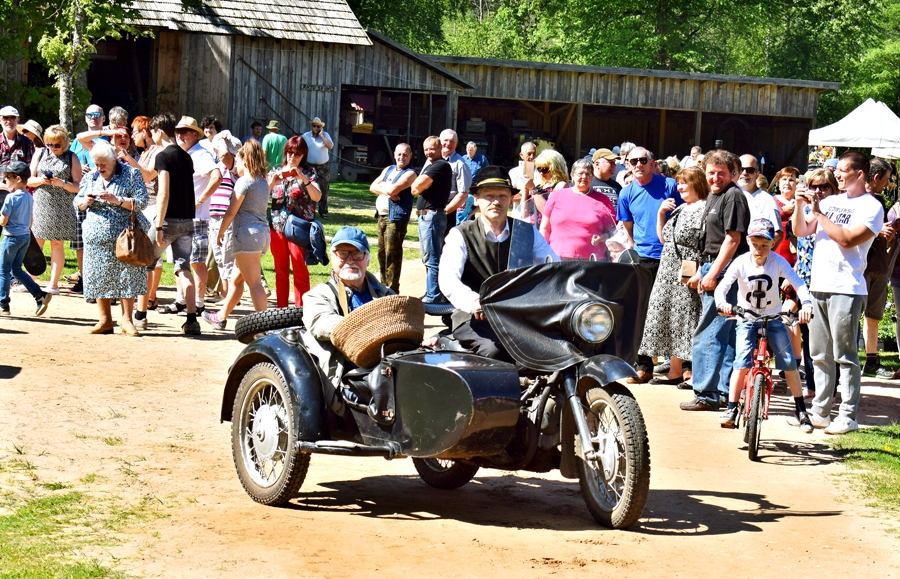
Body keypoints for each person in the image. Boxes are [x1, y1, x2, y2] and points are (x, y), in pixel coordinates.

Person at [792, 151, 883, 434]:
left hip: (847, 288)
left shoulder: (872, 206)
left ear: (859, 174)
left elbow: (847, 239)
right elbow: (802, 230)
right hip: (818, 284)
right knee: (819, 353)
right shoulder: (830, 201)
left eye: (843, 170)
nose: (837, 174)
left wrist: (818, 212)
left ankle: (848, 416)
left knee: (845, 354)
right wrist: (799, 205)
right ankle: (820, 412)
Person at [439, 166, 558, 360]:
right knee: (495, 351)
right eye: (489, 195)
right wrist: (474, 302)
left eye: (503, 196)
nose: (496, 201)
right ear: (476, 199)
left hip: (517, 316)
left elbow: (552, 266)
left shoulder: (527, 232)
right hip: (474, 318)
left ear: (511, 199)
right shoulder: (460, 234)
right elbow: (448, 279)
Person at [715, 218, 815, 432]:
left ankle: (801, 409)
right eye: (755, 244)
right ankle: (732, 407)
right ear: (748, 242)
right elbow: (723, 286)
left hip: (773, 317)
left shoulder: (778, 262)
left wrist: (806, 303)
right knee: (741, 361)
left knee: (788, 362)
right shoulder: (741, 262)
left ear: (772, 244)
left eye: (765, 245)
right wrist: (723, 304)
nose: (759, 250)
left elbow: (797, 282)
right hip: (747, 317)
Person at [680, 150, 750, 411]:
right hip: (713, 265)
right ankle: (722, 392)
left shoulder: (733, 196)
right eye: (711, 172)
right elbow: (710, 239)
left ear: (733, 173)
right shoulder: (714, 195)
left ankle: (707, 394)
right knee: (724, 333)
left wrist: (712, 273)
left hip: (725, 270)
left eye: (721, 173)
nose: (715, 177)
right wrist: (702, 269)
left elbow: (733, 240)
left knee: (709, 333)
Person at [639, 166, 708, 385]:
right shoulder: (680, 208)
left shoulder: (705, 208)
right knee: (667, 315)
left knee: (686, 318)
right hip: (668, 269)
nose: (679, 187)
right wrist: (661, 213)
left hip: (688, 267)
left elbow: (705, 243)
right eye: (678, 183)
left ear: (696, 183)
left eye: (684, 183)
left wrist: (699, 270)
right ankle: (675, 370)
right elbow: (664, 239)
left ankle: (694, 372)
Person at [617, 146, 681, 382]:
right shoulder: (626, 193)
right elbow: (628, 224)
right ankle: (643, 365)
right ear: (627, 164)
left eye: (643, 160)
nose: (638, 164)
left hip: (671, 256)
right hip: (643, 258)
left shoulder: (669, 185)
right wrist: (635, 246)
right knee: (641, 311)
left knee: (675, 310)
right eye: (632, 161)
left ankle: (681, 365)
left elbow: (684, 213)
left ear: (652, 162)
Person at [73, 142, 148, 336]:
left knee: (127, 275)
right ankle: (105, 320)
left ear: (114, 160)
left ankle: (127, 320)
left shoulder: (131, 174)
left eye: (103, 164)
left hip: (125, 238)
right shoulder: (90, 177)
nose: (100, 168)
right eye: (96, 164)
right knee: (99, 276)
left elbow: (142, 202)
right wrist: (84, 202)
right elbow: (77, 200)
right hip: (95, 237)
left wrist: (117, 200)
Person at [143, 113, 202, 336]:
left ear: (159, 131)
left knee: (145, 263)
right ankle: (191, 319)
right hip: (187, 220)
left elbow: (163, 193)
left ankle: (140, 315)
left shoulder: (163, 157)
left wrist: (158, 225)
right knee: (183, 268)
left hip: (167, 220)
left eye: (152, 132)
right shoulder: (186, 157)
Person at [202, 141, 271, 330]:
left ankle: (263, 326)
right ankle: (221, 317)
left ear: (246, 161)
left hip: (246, 235)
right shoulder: (262, 182)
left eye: (238, 161)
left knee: (254, 283)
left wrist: (221, 231)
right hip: (262, 235)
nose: (235, 166)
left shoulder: (244, 181)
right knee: (236, 280)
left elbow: (231, 211)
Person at [167, 116, 221, 315]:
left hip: (197, 217)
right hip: (178, 216)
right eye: (178, 132)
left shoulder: (201, 155)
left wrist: (200, 199)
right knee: (179, 260)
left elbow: (217, 176)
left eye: (184, 132)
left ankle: (198, 302)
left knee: (197, 260)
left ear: (194, 135)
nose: (180, 135)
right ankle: (181, 299)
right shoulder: (178, 154)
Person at [303, 227, 394, 342]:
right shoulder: (317, 296)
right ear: (332, 257)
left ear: (368, 259)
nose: (350, 260)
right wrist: (370, 330)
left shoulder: (386, 294)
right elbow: (322, 324)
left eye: (357, 254)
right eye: (342, 254)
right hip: (342, 359)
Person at [27, 124, 83, 295]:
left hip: (63, 206)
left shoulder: (71, 157)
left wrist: (62, 183)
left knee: (57, 244)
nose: (53, 148)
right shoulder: (40, 153)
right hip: (42, 202)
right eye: (50, 144)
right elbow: (28, 180)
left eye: (57, 145)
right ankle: (30, 281)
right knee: (36, 242)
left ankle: (53, 285)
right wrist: (41, 181)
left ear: (64, 143)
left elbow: (79, 186)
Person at [268, 136, 321, 307]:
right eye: (290, 152)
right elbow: (262, 196)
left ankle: (301, 311)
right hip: (277, 226)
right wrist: (272, 182)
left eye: (297, 154)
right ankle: (282, 309)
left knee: (300, 270)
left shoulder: (308, 172)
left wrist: (303, 179)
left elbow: (317, 196)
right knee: (280, 270)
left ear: (303, 155)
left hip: (299, 228)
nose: (292, 157)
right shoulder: (276, 171)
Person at [0, 161, 52, 316]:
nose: (5, 179)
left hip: (10, 238)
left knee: (3, 270)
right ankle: (39, 295)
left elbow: (3, 221)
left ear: (18, 179)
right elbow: (30, 219)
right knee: (16, 270)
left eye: (8, 176)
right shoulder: (29, 196)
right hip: (25, 237)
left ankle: (3, 304)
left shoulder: (10, 198)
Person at [125, 116, 163, 324]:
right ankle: (145, 304)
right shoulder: (146, 152)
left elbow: (148, 177)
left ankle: (142, 310)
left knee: (145, 258)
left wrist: (128, 159)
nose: (133, 135)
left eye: (135, 131)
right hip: (144, 207)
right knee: (144, 258)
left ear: (145, 132)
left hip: (154, 207)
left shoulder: (157, 151)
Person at [861, 158, 897, 379]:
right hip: (861, 267)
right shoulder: (855, 200)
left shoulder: (880, 202)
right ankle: (842, 362)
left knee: (873, 315)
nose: (887, 183)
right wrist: (877, 230)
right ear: (875, 178)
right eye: (885, 179)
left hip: (879, 266)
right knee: (850, 313)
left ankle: (871, 361)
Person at [540, 158, 616, 260]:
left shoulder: (602, 200)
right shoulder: (557, 196)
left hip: (591, 261)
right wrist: (542, 253)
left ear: (592, 177)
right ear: (572, 175)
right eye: (580, 173)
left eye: (588, 174)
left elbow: (613, 231)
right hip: (557, 259)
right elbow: (545, 229)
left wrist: (602, 238)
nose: (584, 177)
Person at [412, 136, 453, 304]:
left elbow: (417, 186)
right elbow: (416, 187)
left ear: (440, 148)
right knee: (429, 257)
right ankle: (432, 291)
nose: (429, 152)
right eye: (426, 149)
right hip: (427, 216)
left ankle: (433, 295)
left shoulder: (440, 165)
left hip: (432, 216)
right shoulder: (431, 165)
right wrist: (418, 186)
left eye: (432, 149)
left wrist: (419, 186)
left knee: (432, 258)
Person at [370, 143, 416, 292]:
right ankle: (383, 286)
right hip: (382, 216)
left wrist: (383, 187)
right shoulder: (388, 169)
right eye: (399, 154)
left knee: (392, 254)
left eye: (405, 154)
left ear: (410, 156)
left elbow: (392, 188)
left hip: (395, 219)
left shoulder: (410, 173)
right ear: (395, 154)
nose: (401, 157)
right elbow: (372, 187)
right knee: (381, 254)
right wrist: (386, 190)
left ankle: (392, 289)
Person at [207, 131, 241, 301]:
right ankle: (224, 293)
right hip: (214, 214)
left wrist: (221, 138)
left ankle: (228, 295)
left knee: (227, 256)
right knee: (219, 257)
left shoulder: (234, 165)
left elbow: (225, 154)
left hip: (227, 215)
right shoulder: (217, 166)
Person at [0, 105, 34, 238]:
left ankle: (16, 258)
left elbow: (30, 170)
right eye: (5, 118)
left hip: (18, 195)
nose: (9, 121)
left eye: (12, 118)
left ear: (18, 119)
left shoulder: (26, 143)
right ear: (0, 120)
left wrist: (18, 188)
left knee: (18, 233)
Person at [737, 154, 782, 247]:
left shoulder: (767, 200)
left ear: (757, 174)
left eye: (750, 170)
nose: (744, 173)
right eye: (741, 169)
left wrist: (762, 257)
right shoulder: (729, 196)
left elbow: (777, 234)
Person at [521, 149, 568, 227]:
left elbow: (547, 211)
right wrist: (526, 189)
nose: (541, 173)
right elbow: (524, 213)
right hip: (535, 229)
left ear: (555, 169)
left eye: (545, 169)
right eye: (539, 169)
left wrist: (533, 189)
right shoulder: (540, 185)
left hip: (549, 231)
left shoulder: (561, 185)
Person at [301, 117, 334, 219]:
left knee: (324, 188)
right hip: (309, 165)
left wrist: (322, 136)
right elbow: (299, 145)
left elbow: (330, 146)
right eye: (314, 126)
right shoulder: (306, 136)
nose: (316, 128)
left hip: (323, 166)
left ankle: (323, 211)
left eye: (318, 126)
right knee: (309, 188)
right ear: (311, 126)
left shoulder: (325, 135)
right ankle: (310, 211)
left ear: (321, 127)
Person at [439, 129, 473, 218]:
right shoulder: (431, 159)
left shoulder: (460, 164)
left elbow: (463, 193)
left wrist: (444, 212)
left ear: (456, 144)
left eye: (452, 141)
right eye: (445, 140)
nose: (448, 143)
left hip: (446, 211)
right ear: (439, 141)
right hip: (429, 209)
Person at [771, 166, 800, 265]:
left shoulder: (802, 203)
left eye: (791, 180)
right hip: (775, 253)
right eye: (784, 179)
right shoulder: (771, 201)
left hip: (795, 256)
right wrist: (783, 212)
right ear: (779, 183)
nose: (787, 183)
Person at [508, 141, 537, 218]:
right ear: (521, 155)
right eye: (529, 154)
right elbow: (510, 197)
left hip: (536, 217)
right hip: (518, 216)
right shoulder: (513, 172)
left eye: (534, 154)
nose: (531, 157)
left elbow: (544, 195)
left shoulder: (541, 172)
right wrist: (533, 193)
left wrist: (521, 193)